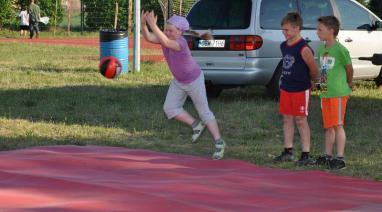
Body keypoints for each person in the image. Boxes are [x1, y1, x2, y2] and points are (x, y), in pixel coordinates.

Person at [141, 11, 226, 160]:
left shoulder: (180, 43)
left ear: (180, 32)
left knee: (204, 112)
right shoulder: (165, 38)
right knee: (170, 108)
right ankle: (196, 125)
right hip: (179, 81)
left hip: (194, 80)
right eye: (166, 30)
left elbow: (167, 43)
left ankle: (219, 142)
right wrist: (143, 24)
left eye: (170, 30)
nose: (167, 32)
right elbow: (148, 37)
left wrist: (153, 25)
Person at [273, 12, 319, 166]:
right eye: (282, 30)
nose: (284, 33)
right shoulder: (283, 46)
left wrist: (314, 82)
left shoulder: (304, 48)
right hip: (286, 87)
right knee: (287, 118)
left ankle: (306, 154)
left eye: (287, 30)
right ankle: (288, 151)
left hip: (301, 89)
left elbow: (313, 68)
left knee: (301, 120)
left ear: (297, 28)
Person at [315, 16, 353, 170]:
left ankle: (340, 158)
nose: (317, 32)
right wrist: (320, 87)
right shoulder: (321, 49)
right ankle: (327, 155)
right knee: (328, 126)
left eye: (320, 29)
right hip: (325, 93)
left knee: (338, 125)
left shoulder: (341, 50)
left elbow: (349, 68)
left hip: (338, 92)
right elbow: (323, 71)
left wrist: (349, 83)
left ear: (331, 31)